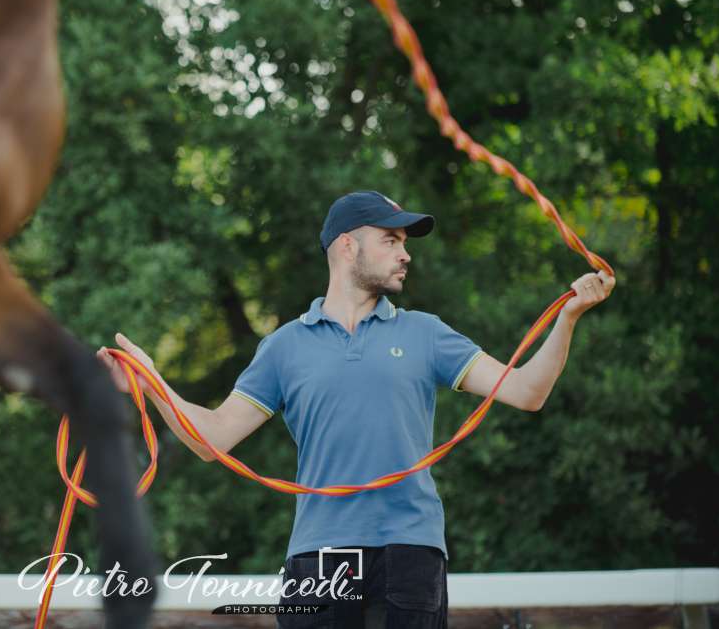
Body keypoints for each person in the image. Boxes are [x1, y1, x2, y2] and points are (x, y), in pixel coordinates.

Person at [97, 190, 615, 628]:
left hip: (411, 549)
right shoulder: (284, 346)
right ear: (348, 246)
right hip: (319, 555)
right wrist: (151, 382)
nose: (404, 254)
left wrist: (568, 317)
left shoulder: (425, 333)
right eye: (390, 240)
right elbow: (212, 439)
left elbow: (528, 392)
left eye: (405, 244)